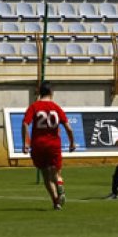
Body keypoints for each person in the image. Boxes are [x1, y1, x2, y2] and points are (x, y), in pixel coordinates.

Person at [22, 81, 76, 210]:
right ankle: (59, 184)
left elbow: (25, 123)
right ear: (51, 93)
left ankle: (56, 202)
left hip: (38, 145)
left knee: (46, 176)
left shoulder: (34, 107)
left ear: (39, 93)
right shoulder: (56, 108)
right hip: (53, 145)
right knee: (56, 173)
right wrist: (72, 142)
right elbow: (69, 128)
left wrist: (26, 142)